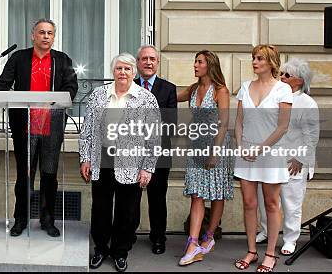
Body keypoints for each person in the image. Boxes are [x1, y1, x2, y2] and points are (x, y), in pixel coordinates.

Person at [0, 19, 78, 237]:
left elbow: (71, 87)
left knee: (49, 175)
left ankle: (47, 220)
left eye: (50, 33)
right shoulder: (19, 58)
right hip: (25, 126)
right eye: (42, 32)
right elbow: (4, 82)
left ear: (53, 37)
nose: (46, 36)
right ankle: (20, 220)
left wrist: (60, 99)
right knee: (24, 176)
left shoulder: (62, 60)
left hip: (52, 125)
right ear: (33, 36)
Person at [80, 53, 160, 272]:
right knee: (101, 208)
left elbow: (153, 137)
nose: (122, 73)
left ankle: (120, 252)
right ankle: (100, 249)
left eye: (127, 69)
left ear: (134, 72)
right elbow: (87, 130)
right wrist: (85, 158)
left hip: (132, 160)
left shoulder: (145, 98)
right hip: (102, 157)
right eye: (119, 69)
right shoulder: (99, 95)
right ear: (113, 71)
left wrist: (147, 167)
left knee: (127, 210)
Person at [233, 45, 292, 272]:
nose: (255, 62)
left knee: (271, 203)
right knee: (249, 203)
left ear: (271, 62)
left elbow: (283, 127)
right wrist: (240, 147)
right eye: (253, 58)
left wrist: (258, 149)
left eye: (259, 59)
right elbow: (238, 121)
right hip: (246, 153)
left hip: (270, 154)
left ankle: (270, 253)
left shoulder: (282, 90)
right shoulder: (246, 87)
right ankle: (251, 251)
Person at [255, 58, 319, 256]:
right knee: (266, 199)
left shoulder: (307, 103)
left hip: (293, 161)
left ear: (299, 81)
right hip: (271, 159)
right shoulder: (276, 95)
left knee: (291, 201)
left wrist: (301, 159)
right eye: (281, 74)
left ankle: (290, 238)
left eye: (286, 75)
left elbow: (312, 136)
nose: (281, 77)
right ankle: (266, 231)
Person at [176, 51, 233, 266]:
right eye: (195, 61)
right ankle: (192, 243)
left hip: (217, 144)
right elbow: (170, 95)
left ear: (210, 65)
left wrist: (215, 152)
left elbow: (224, 124)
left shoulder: (221, 91)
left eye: (199, 62)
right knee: (196, 193)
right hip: (196, 145)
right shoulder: (192, 89)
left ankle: (208, 237)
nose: (195, 65)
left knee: (217, 191)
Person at [133, 45, 177, 254]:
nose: (148, 62)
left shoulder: (168, 89)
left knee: (157, 198)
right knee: (130, 197)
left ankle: (158, 238)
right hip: (131, 153)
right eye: (144, 59)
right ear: (138, 63)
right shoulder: (128, 86)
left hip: (159, 152)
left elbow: (171, 123)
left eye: (152, 59)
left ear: (157, 62)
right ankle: (127, 233)